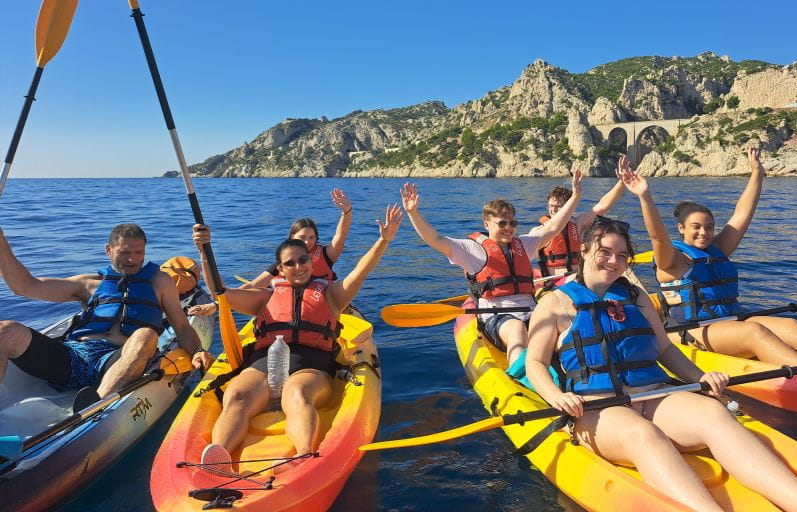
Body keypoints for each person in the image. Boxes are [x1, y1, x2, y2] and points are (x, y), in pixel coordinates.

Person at [525, 218, 797, 512]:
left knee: (714, 413)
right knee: (643, 434)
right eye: (604, 252)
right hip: (597, 407)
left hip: (652, 393)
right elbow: (535, 362)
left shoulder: (636, 297)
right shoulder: (555, 304)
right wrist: (556, 396)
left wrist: (701, 377)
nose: (613, 261)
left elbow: (665, 348)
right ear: (584, 250)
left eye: (621, 255)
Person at [192, 203, 402, 469]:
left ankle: (301, 455)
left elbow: (361, 270)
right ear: (280, 270)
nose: (298, 266)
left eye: (303, 260)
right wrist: (204, 250)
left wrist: (384, 241)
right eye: (289, 263)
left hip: (311, 368)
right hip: (263, 365)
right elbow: (220, 293)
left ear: (311, 262)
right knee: (236, 395)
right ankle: (219, 458)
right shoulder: (263, 297)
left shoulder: (332, 295)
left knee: (297, 393)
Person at [618, 147, 797, 365]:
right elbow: (657, 237)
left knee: (790, 326)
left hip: (730, 321)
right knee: (753, 332)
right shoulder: (672, 260)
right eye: (696, 226)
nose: (704, 232)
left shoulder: (717, 249)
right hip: (691, 331)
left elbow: (742, 213)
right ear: (681, 228)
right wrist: (645, 196)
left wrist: (757, 173)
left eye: (709, 227)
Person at [0, 224, 213, 406]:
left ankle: (95, 408)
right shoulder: (88, 284)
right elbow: (25, 286)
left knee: (146, 335)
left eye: (139, 252)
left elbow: (182, 327)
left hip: (118, 360)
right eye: (125, 252)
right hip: (74, 359)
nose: (132, 259)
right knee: (7, 330)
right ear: (109, 250)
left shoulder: (160, 282)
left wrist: (197, 351)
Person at [400, 172, 582, 365]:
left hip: (531, 310)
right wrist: (413, 213)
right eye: (502, 223)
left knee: (566, 327)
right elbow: (436, 239)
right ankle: (522, 375)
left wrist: (576, 197)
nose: (508, 227)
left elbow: (554, 226)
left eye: (512, 223)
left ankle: (577, 369)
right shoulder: (472, 250)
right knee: (517, 330)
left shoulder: (524, 245)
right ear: (486, 224)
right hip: (498, 316)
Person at [529, 155, 629, 277]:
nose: (553, 210)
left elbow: (602, 206)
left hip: (578, 277)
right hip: (555, 281)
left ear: (569, 207)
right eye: (551, 206)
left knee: (623, 275)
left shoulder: (577, 224)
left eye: (558, 206)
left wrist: (622, 183)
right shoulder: (539, 231)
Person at [242, 188, 353, 288]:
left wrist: (346, 212)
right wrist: (231, 295)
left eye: (312, 237)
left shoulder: (327, 254)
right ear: (292, 237)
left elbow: (341, 236)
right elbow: (253, 285)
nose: (307, 242)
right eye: (302, 237)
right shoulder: (285, 260)